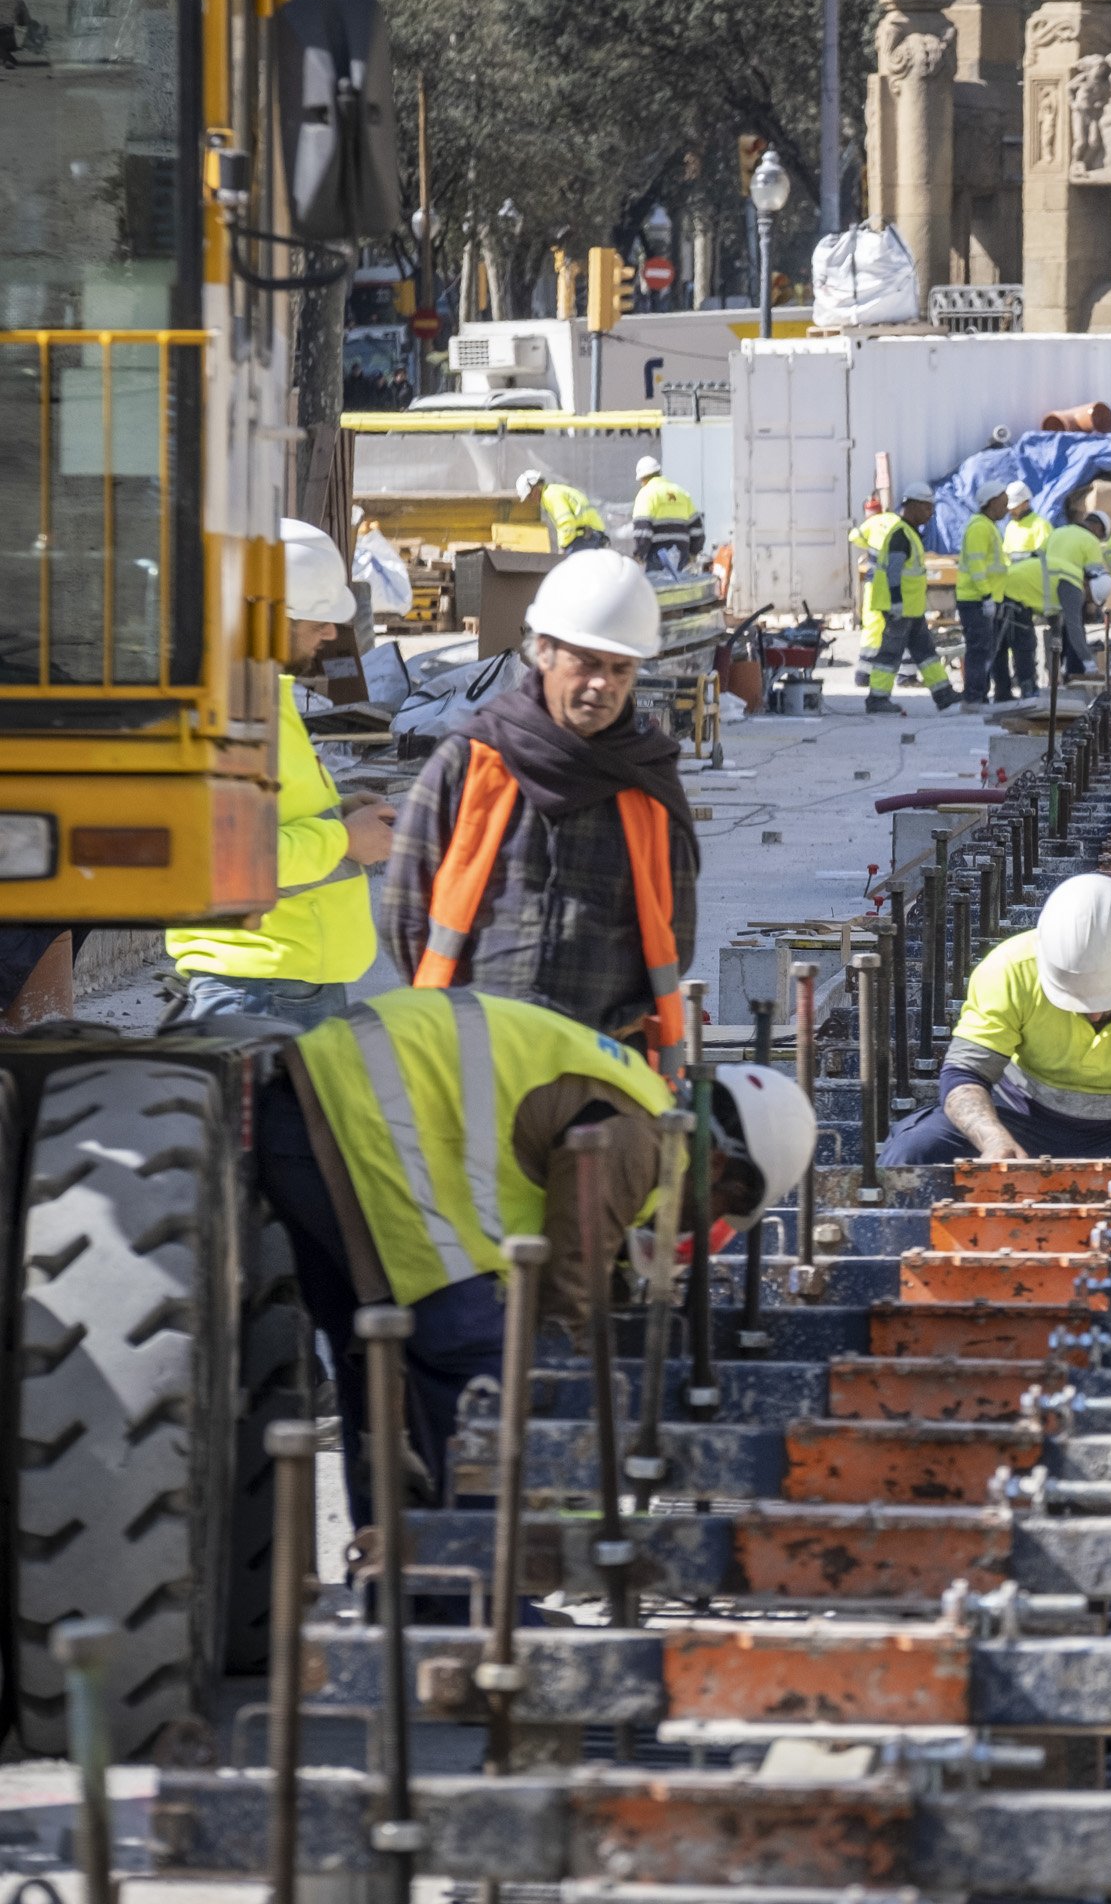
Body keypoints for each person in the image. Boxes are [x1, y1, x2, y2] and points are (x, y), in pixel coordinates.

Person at [254, 984, 815, 1519]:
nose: (709, 1221)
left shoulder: (639, 1101)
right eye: (720, 1207)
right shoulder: (640, 1137)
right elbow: (570, 1274)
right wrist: (562, 1407)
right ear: (721, 1166)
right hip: (356, 1105)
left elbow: (571, 1245)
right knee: (473, 1352)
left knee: (376, 1367)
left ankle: (410, 1584)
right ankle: (480, 1583)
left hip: (315, 1103)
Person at [381, 550, 700, 1065]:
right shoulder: (470, 763)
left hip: (602, 1058)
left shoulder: (647, 782)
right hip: (473, 1053)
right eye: (588, 663)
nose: (605, 684)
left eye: (621, 668)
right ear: (544, 652)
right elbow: (405, 913)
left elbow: (674, 934)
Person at [165, 519, 393, 1026]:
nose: (330, 633)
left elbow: (269, 815)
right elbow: (225, 857)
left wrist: (341, 812)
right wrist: (342, 840)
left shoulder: (258, 695)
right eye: (316, 619)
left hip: (280, 979)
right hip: (264, 987)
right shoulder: (228, 709)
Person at [878, 873, 1111, 1165]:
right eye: (1074, 1000)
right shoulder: (1010, 969)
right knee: (913, 1152)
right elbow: (964, 1075)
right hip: (1021, 1121)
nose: (1092, 1012)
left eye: (1104, 999)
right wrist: (992, 1139)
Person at [855, 488, 959, 714]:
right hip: (899, 608)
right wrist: (896, 601)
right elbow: (894, 571)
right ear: (912, 505)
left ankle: (944, 694)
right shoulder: (901, 534)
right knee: (890, 653)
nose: (930, 513)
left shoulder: (908, 532)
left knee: (926, 653)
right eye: (927, 507)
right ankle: (877, 699)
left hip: (910, 609)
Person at [993, 482, 1051, 705]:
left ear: (1026, 502)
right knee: (1001, 643)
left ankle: (1028, 685)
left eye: (1014, 506)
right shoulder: (1010, 528)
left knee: (1024, 643)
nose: (1010, 510)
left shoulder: (1040, 526)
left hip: (1026, 594)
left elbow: (1045, 565)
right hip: (1006, 591)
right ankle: (1003, 689)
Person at [1042, 501, 1110, 681]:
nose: (1100, 539)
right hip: (1070, 585)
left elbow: (1038, 556)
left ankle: (1055, 675)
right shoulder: (1090, 541)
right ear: (1097, 527)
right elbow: (1095, 576)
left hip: (1044, 588)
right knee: (1075, 626)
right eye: (1102, 535)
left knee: (1057, 631)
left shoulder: (1057, 532)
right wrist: (1092, 603)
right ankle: (1081, 668)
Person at [954, 486, 1008, 706]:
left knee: (986, 649)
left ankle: (980, 694)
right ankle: (974, 696)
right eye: (1003, 503)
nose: (1006, 508)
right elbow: (977, 566)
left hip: (985, 598)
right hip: (976, 599)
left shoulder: (988, 527)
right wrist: (986, 594)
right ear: (991, 502)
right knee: (978, 650)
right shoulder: (979, 528)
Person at [626, 456, 703, 577]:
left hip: (658, 554)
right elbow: (697, 529)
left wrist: (639, 554)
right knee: (678, 589)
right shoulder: (680, 492)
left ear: (643, 478)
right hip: (682, 553)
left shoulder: (646, 493)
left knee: (658, 590)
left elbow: (643, 531)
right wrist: (693, 553)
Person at [516, 468, 608, 553]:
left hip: (586, 538)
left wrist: (563, 547)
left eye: (529, 496)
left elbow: (566, 522)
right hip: (593, 536)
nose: (531, 501)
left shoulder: (550, 496)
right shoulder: (553, 491)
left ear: (535, 488)